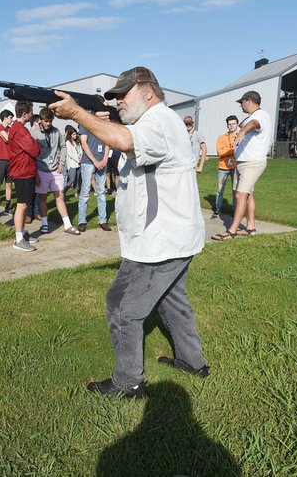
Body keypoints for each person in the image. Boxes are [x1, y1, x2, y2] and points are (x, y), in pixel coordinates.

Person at [50, 66, 209, 399]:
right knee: (171, 301)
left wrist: (78, 113)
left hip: (159, 241)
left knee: (121, 305)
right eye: (115, 96)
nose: (119, 101)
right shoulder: (155, 121)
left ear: (148, 92)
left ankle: (128, 383)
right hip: (174, 236)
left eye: (125, 94)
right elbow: (123, 135)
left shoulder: (158, 122)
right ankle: (193, 363)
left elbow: (122, 139)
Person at [212, 91, 271, 240]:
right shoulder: (252, 116)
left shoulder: (260, 115)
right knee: (248, 195)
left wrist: (242, 132)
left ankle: (231, 231)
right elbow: (249, 123)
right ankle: (250, 228)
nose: (240, 105)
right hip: (243, 163)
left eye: (242, 102)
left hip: (252, 163)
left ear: (249, 101)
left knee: (240, 195)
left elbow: (254, 124)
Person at [30, 107, 80, 235]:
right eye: (46, 121)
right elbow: (30, 154)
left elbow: (63, 146)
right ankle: (45, 224)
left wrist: (62, 162)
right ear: (40, 120)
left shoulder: (56, 132)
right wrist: (35, 172)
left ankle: (67, 225)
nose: (48, 123)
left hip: (56, 169)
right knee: (42, 198)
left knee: (60, 196)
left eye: (50, 121)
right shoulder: (33, 133)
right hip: (41, 170)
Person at [5, 100, 40, 251]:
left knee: (25, 204)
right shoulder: (20, 130)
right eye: (31, 112)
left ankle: (22, 233)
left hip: (26, 171)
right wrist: (34, 142)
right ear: (25, 114)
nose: (32, 115)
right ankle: (18, 239)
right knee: (22, 204)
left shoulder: (20, 128)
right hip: (22, 172)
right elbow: (35, 150)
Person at [77, 118, 112, 233]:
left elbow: (108, 142)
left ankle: (103, 220)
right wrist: (95, 161)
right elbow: (83, 143)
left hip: (102, 160)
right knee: (85, 191)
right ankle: (82, 221)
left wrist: (105, 159)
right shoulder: (85, 122)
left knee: (101, 191)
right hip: (88, 161)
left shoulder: (106, 124)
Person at [213, 115, 239, 218]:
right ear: (227, 125)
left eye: (233, 124)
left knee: (235, 190)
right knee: (220, 190)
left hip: (236, 167)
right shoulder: (221, 138)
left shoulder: (241, 136)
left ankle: (235, 211)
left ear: (237, 124)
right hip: (223, 167)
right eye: (229, 124)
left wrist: (227, 151)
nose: (231, 126)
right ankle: (218, 210)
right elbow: (220, 152)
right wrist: (233, 151)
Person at [0, 109, 15, 217]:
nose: (12, 120)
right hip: (0, 160)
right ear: (5, 117)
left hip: (10, 160)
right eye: (11, 117)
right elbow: (7, 139)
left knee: (9, 184)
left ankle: (7, 207)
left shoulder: (10, 129)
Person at [63, 125, 83, 199]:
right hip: (72, 164)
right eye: (73, 134)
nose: (75, 135)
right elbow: (70, 154)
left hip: (79, 163)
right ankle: (64, 191)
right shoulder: (68, 143)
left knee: (77, 179)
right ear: (70, 135)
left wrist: (81, 156)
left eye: (75, 134)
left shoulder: (77, 142)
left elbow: (80, 150)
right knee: (72, 179)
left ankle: (76, 192)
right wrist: (78, 159)